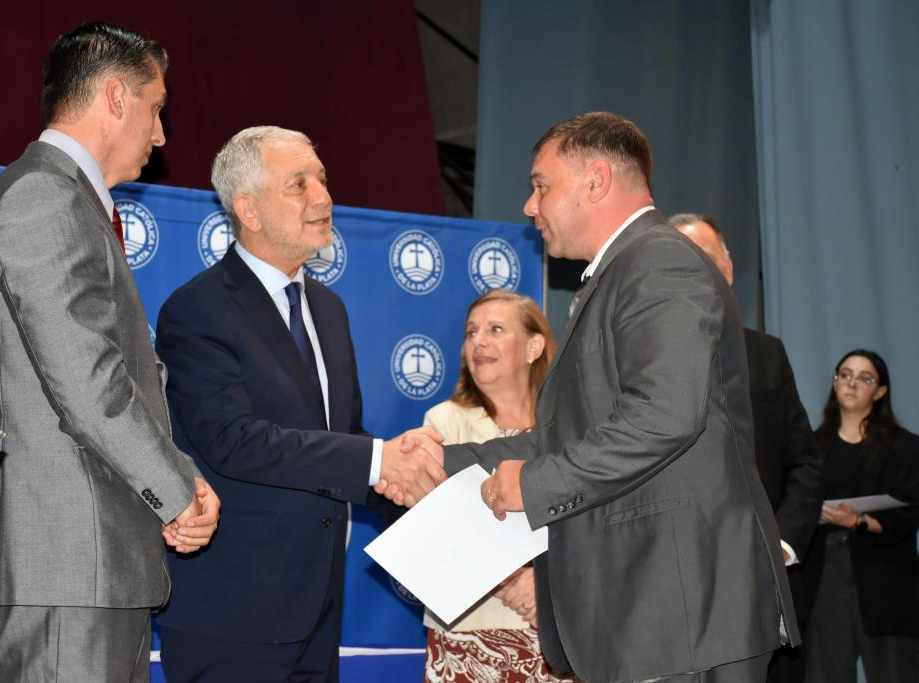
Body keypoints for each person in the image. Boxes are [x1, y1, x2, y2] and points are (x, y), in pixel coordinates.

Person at [383, 112, 799, 683]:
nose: (531, 206)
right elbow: (566, 436)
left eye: (541, 185)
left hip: (681, 610)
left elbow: (663, 416)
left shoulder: (659, 261)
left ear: (597, 180)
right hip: (653, 613)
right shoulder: (623, 273)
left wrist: (530, 486)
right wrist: (432, 460)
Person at [154, 125, 446, 682]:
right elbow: (232, 440)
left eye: (323, 179)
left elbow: (342, 436)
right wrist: (379, 460)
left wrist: (421, 486)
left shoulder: (330, 310)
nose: (324, 197)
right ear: (250, 209)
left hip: (319, 611)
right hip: (232, 614)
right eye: (299, 184)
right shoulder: (198, 311)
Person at [0, 22, 219, 682]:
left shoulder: (71, 204)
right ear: (116, 97)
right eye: (156, 109)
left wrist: (178, 476)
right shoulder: (44, 197)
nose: (161, 135)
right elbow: (88, 385)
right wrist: (177, 490)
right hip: (69, 566)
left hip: (95, 569)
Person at [670, 214, 824, 683]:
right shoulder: (639, 358)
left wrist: (782, 545)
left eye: (708, 262)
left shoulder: (768, 354)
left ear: (729, 269)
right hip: (675, 596)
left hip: (764, 592)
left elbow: (806, 464)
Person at [421, 289, 569, 683]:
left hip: (565, 631)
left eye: (495, 329)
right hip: (471, 634)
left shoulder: (571, 427)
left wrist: (549, 591)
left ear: (533, 346)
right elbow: (434, 532)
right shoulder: (442, 424)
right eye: (471, 332)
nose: (478, 342)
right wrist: (517, 581)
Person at [803, 349, 919, 682]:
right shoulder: (811, 448)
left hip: (885, 579)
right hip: (824, 577)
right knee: (824, 672)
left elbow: (912, 509)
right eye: (845, 374)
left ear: (880, 391)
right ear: (834, 381)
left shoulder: (904, 447)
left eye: (864, 378)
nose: (851, 383)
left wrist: (858, 521)